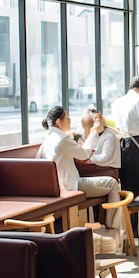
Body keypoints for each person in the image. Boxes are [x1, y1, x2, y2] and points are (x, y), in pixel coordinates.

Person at [36, 106, 126, 251]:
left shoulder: (47, 139)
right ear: (59, 122)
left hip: (56, 187)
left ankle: (111, 229)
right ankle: (114, 229)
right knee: (112, 182)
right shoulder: (62, 139)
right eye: (67, 117)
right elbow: (84, 155)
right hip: (71, 186)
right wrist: (94, 132)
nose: (70, 120)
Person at [111, 75, 139, 226]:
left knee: (124, 187)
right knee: (133, 189)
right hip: (135, 146)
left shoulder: (117, 102)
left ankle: (124, 227)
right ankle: (133, 229)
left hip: (120, 145)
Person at [76, 109, 121, 181]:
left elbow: (105, 156)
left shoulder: (109, 135)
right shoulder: (94, 133)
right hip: (96, 168)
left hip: (106, 170)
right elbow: (85, 151)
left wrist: (90, 160)